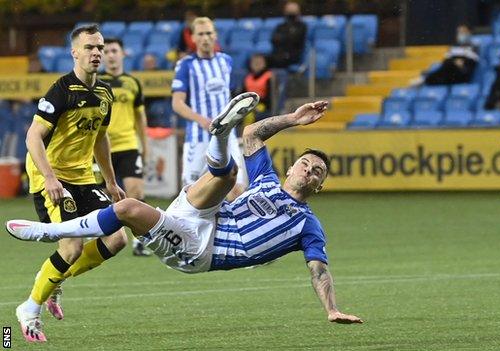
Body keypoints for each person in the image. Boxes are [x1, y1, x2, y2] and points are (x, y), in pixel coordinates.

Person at [6, 92, 364, 326]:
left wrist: (331, 308)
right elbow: (253, 133)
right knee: (228, 175)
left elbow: (318, 269)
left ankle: (51, 233)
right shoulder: (268, 181)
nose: (308, 170)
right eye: (304, 163)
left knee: (130, 207)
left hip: (200, 248)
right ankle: (220, 135)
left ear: (320, 185)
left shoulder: (307, 224)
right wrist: (293, 120)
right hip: (200, 212)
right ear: (291, 168)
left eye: (317, 172)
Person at [14, 24, 127, 343]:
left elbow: (101, 138)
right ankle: (30, 308)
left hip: (82, 176)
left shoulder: (105, 92)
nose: (96, 53)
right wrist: (49, 178)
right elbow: (32, 136)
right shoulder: (61, 90)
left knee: (118, 238)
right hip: (50, 177)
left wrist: (111, 182)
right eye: (90, 47)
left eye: (100, 48)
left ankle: (52, 280)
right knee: (72, 246)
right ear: (74, 52)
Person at [172, 16, 247, 200]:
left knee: (237, 190)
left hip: (227, 135)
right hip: (199, 138)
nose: (205, 38)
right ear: (193, 38)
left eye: (208, 33)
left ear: (215, 36)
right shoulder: (186, 65)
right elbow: (177, 103)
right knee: (191, 194)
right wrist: (203, 121)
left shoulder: (226, 61)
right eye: (201, 34)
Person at [100, 38, 152, 256]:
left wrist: (145, 146)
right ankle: (103, 238)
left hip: (129, 145)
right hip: (101, 148)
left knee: (135, 192)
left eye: (114, 50)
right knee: (102, 196)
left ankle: (140, 241)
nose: (111, 55)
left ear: (122, 54)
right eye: (107, 51)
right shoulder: (95, 82)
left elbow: (140, 118)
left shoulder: (133, 83)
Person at [410, 24, 479, 87]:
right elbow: (446, 60)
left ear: (469, 33)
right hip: (450, 73)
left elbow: (472, 62)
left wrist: (460, 62)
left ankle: (425, 79)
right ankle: (426, 79)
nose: (461, 34)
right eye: (459, 32)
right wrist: (455, 61)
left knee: (448, 65)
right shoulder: (454, 47)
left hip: (463, 74)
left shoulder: (474, 46)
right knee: (444, 65)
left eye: (463, 32)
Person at [268, 1, 307, 68]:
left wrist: (283, 38)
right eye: (289, 11)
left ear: (298, 12)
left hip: (293, 55)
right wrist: (286, 37)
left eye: (293, 11)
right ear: (285, 12)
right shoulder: (280, 26)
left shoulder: (302, 26)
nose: (291, 14)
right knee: (260, 59)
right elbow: (273, 39)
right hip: (278, 53)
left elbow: (296, 39)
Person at [243, 53, 273, 119]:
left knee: (249, 115)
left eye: (259, 62)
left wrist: (255, 105)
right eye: (254, 62)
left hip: (262, 104)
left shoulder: (269, 77)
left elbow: (271, 97)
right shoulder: (248, 77)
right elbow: (243, 94)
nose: (257, 65)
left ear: (265, 64)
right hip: (248, 104)